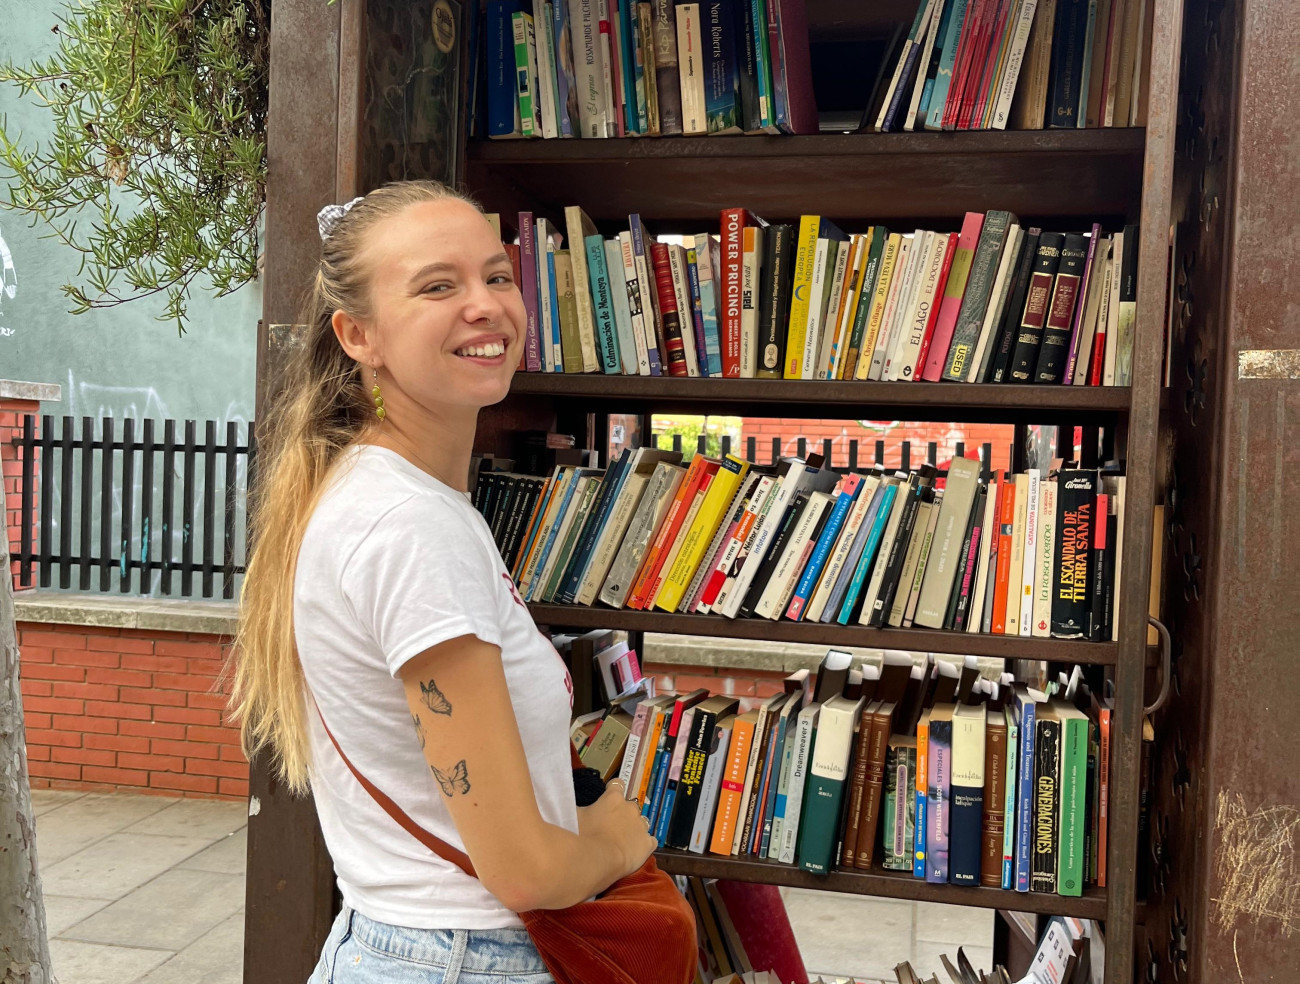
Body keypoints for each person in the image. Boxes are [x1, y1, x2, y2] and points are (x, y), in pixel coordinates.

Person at [230, 180, 657, 984]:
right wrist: (615, 843)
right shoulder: (410, 526)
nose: (486, 305)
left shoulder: (379, 493)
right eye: (438, 286)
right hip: (465, 957)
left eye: (497, 276)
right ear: (359, 335)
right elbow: (523, 871)